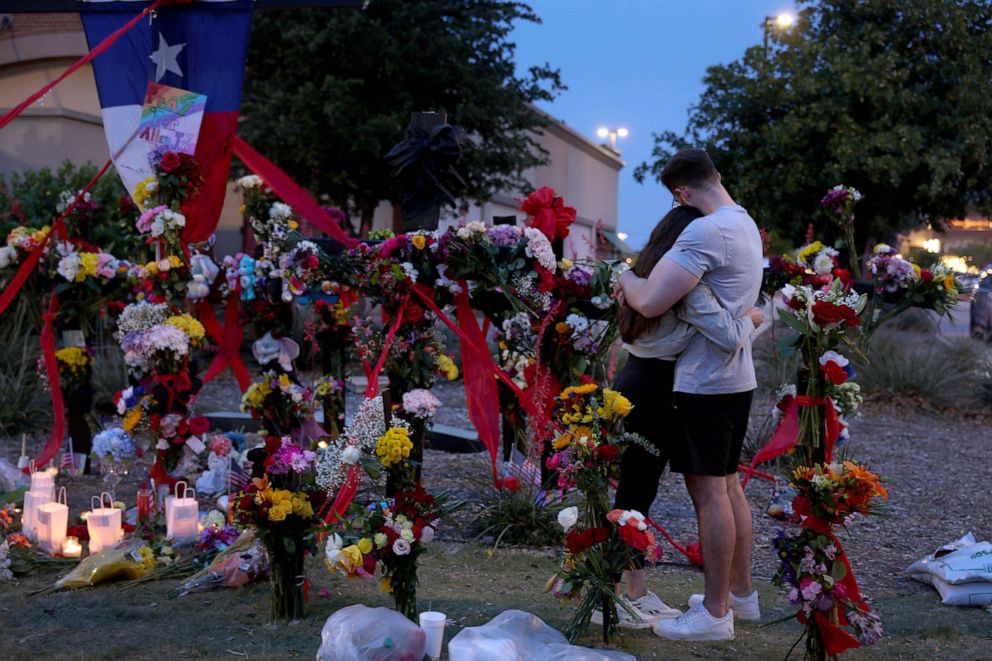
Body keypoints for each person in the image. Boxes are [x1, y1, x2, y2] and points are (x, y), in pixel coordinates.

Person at [617, 148, 764, 642]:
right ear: (717, 176)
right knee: (725, 487)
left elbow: (654, 299)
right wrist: (751, 320)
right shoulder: (743, 224)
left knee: (710, 492)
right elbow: (739, 320)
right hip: (731, 380)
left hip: (704, 383)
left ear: (681, 192)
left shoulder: (702, 233)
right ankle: (738, 597)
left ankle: (716, 612)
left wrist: (627, 277)